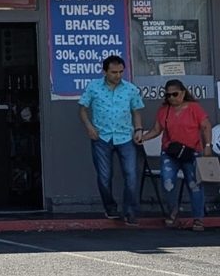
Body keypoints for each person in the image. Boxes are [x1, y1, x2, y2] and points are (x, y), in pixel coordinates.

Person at [78, 54, 145, 225]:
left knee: (131, 175)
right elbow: (83, 109)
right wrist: (89, 127)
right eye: (114, 72)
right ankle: (110, 207)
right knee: (104, 176)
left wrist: (138, 129)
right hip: (102, 136)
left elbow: (136, 111)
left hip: (125, 136)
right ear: (105, 71)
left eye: (121, 72)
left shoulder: (130, 89)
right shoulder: (94, 87)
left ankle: (130, 211)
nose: (118, 75)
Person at [140, 79, 213, 230]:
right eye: (168, 95)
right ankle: (172, 213)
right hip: (170, 152)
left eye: (175, 94)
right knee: (167, 183)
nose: (172, 98)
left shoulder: (194, 108)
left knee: (194, 185)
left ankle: (198, 218)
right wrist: (143, 137)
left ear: (183, 93)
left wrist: (207, 146)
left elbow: (206, 126)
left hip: (192, 151)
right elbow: (156, 130)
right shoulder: (164, 110)